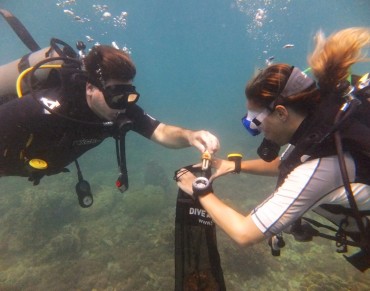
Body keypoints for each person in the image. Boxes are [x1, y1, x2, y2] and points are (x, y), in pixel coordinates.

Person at [176, 27, 370, 270]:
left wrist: (198, 190)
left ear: (281, 113)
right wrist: (235, 165)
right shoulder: (325, 124)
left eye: (256, 121)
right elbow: (286, 162)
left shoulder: (320, 166)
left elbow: (244, 233)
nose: (258, 131)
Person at [0, 44, 219, 198]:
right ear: (89, 87)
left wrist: (191, 136)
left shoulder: (121, 107)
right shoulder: (42, 107)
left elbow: (161, 132)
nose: (123, 106)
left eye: (128, 95)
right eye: (115, 96)